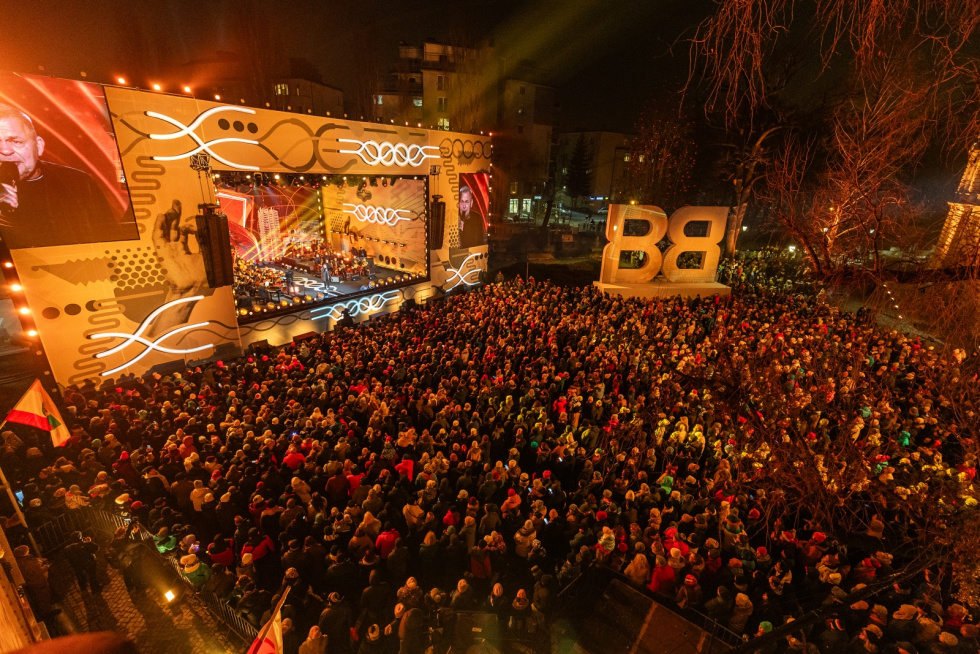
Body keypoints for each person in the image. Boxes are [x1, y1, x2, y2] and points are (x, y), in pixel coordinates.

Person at [0, 103, 133, 249]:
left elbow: (111, 240)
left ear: (39, 146)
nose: (5, 150)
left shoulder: (79, 183)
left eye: (16, 141)